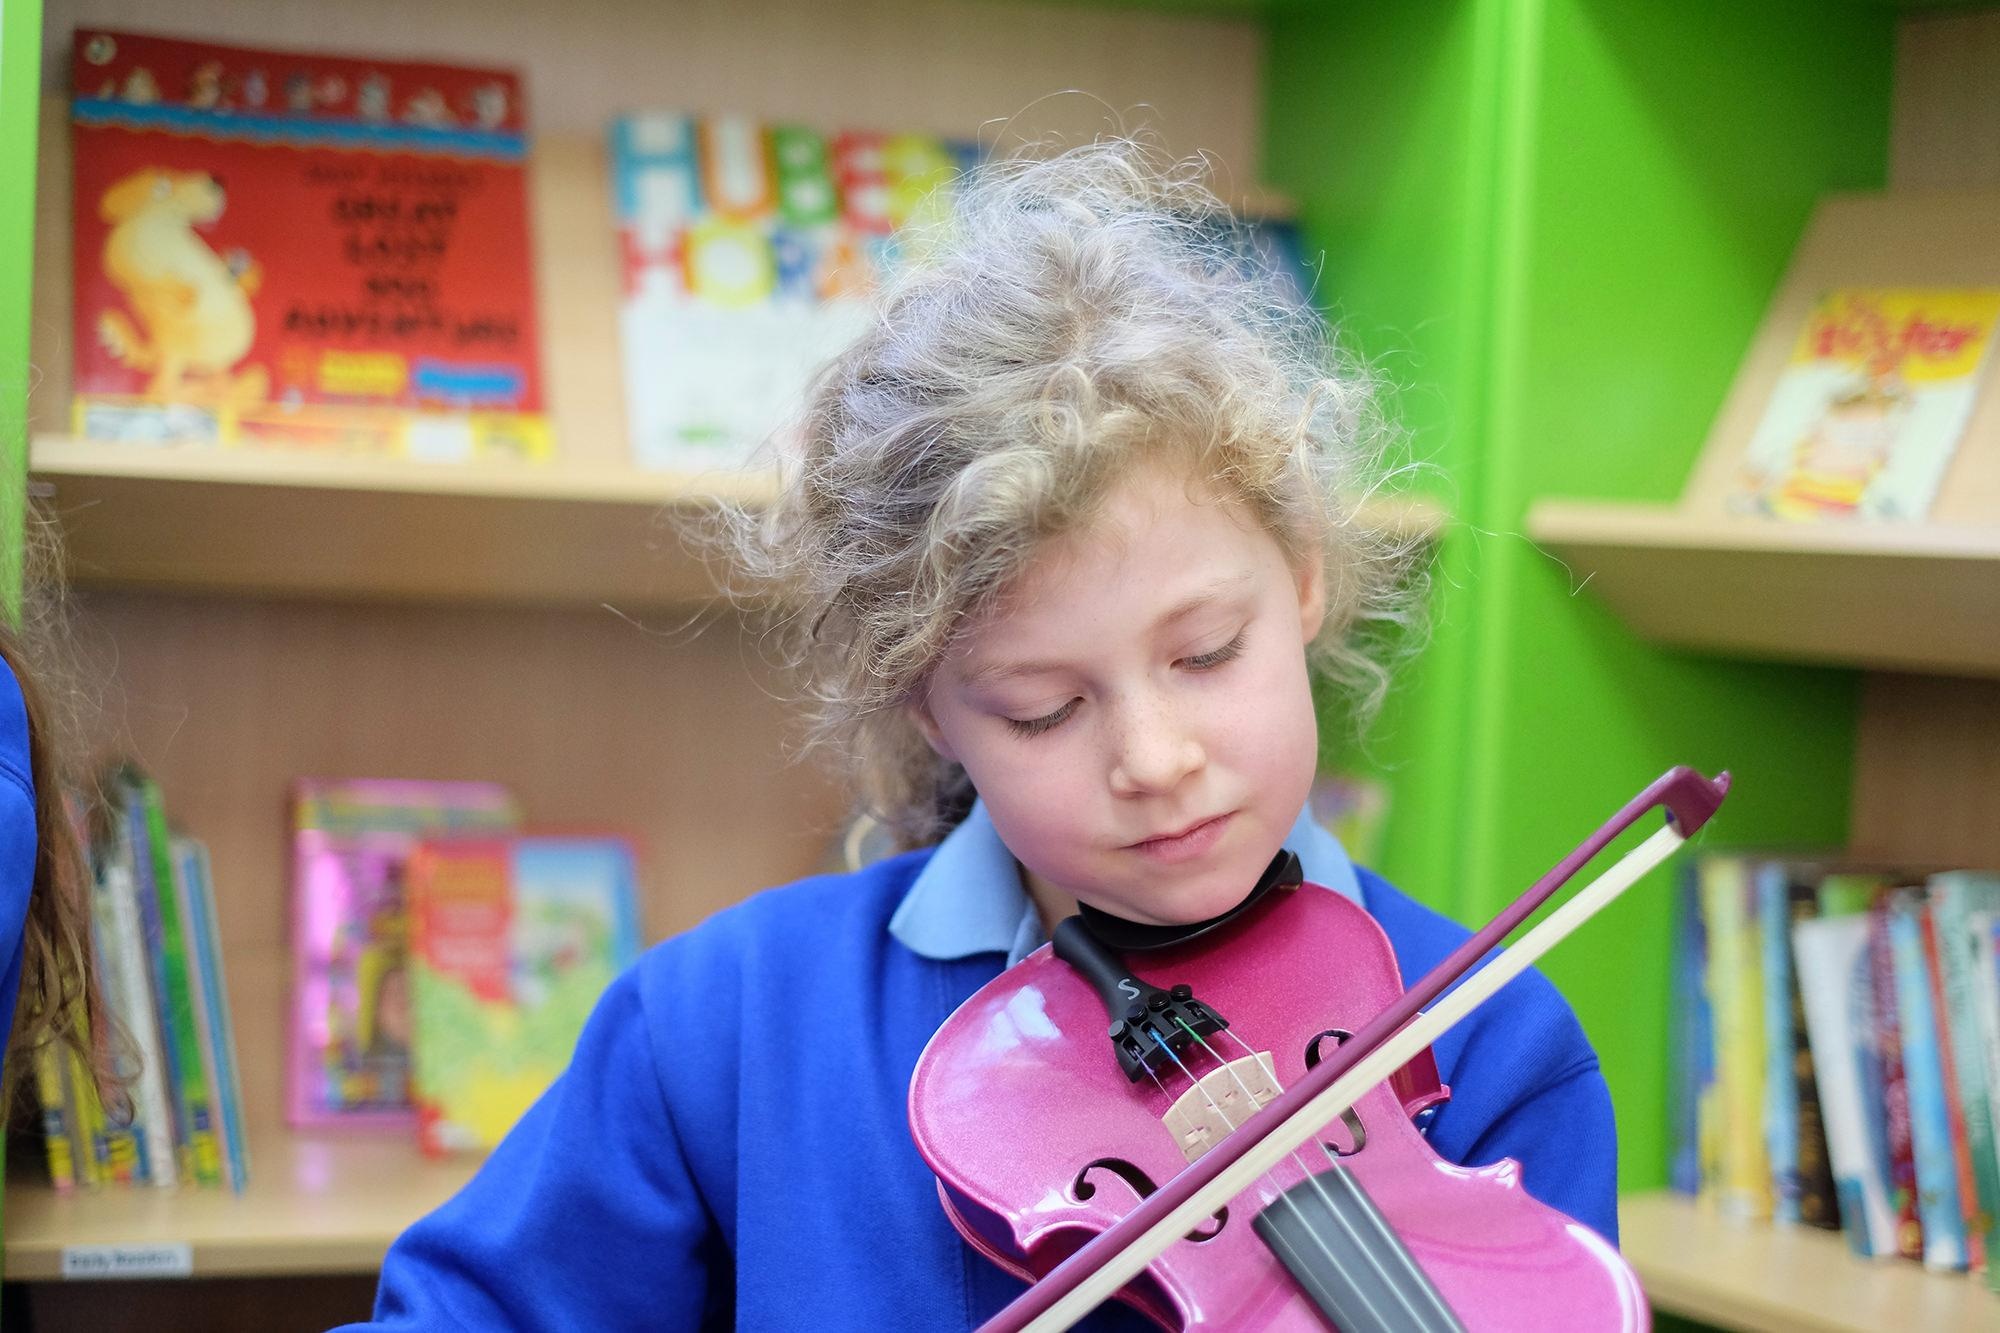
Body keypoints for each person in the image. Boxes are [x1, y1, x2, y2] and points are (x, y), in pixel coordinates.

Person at [346, 143, 1616, 1331]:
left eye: (1204, 654)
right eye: (1040, 708)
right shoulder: (728, 1023)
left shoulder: (1484, 1044)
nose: (1154, 759)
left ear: (1300, 578)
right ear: (926, 705)